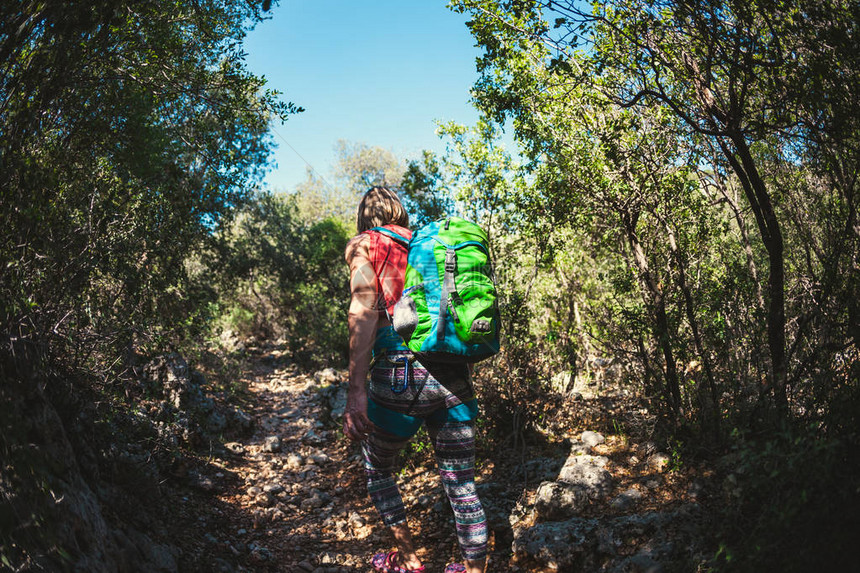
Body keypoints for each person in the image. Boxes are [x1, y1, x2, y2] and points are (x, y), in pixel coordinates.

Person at [343, 187, 488, 573]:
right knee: (462, 484)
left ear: (364, 217)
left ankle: (409, 560)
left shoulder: (365, 245)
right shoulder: (428, 242)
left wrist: (355, 390)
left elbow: (363, 313)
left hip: (397, 374)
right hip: (450, 373)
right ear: (400, 212)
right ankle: (474, 570)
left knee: (378, 467)